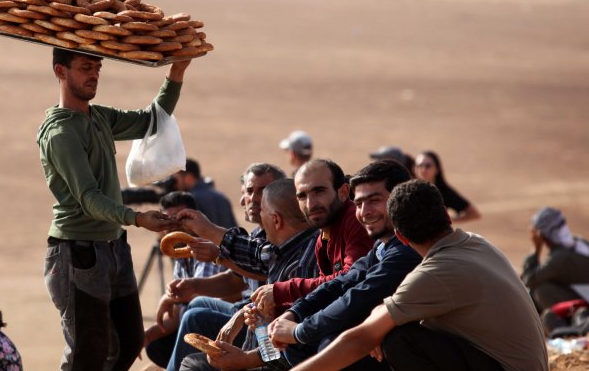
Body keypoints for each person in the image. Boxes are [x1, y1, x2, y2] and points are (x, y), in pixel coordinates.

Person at [289, 179, 548, 371]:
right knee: (395, 324)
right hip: (521, 363)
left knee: (399, 340)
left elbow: (359, 339)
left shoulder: (434, 273)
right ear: (447, 216)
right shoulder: (476, 242)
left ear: (400, 237)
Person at [37, 48, 190, 370]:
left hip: (113, 247)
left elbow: (153, 121)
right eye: (84, 68)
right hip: (78, 253)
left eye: (96, 67)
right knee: (87, 354)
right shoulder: (61, 133)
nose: (93, 75)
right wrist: (136, 218)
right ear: (60, 72)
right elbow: (89, 198)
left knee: (128, 344)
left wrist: (176, 72)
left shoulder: (99, 117)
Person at [268, 160, 422, 370]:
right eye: (359, 203)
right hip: (389, 338)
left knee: (329, 343)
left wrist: (298, 331)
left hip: (428, 351)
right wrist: (295, 313)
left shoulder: (409, 248)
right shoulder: (381, 244)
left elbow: (358, 297)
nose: (365, 212)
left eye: (374, 200)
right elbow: (343, 283)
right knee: (302, 344)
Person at [179, 178, 320, 371]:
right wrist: (253, 318)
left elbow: (296, 345)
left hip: (274, 362)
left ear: (276, 220)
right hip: (265, 353)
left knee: (193, 363)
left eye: (262, 212)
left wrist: (245, 359)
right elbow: (251, 252)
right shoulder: (287, 248)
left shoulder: (300, 264)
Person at [161, 163, 286, 371]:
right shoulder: (256, 234)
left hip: (268, 330)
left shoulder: (285, 240)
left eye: (263, 191)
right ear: (241, 198)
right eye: (249, 190)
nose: (254, 198)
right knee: (198, 302)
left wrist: (217, 251)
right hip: (256, 320)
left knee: (195, 319)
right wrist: (194, 286)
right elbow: (236, 281)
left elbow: (265, 267)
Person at [249, 159, 373, 319]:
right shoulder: (323, 236)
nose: (310, 204)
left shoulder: (354, 220)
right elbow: (326, 293)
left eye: (319, 191)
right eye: (302, 196)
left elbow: (352, 279)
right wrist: (277, 311)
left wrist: (283, 291)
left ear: (343, 192)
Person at [144, 191, 229, 368]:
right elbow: (178, 311)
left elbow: (199, 299)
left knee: (194, 315)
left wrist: (168, 298)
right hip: (200, 323)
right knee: (155, 344)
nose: (174, 225)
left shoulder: (205, 247)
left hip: (223, 326)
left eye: (181, 218)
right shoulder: (181, 255)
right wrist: (148, 334)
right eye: (168, 220)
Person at [521, 206, 589, 313]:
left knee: (541, 291)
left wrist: (536, 249)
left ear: (541, 235)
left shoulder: (561, 257)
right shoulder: (579, 242)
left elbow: (529, 280)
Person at [414, 150, 481, 223]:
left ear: (437, 169)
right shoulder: (408, 190)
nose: (423, 169)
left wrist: (449, 221)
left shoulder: (443, 192)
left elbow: (474, 214)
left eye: (428, 166)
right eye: (419, 165)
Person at [173, 158, 238, 228]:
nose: (176, 184)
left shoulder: (190, 199)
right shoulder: (221, 197)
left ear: (189, 177)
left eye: (177, 179)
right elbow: (234, 230)